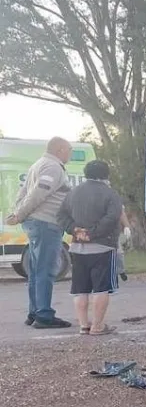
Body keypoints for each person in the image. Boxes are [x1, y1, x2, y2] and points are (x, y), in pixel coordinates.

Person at [5, 137, 74, 329]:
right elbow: (37, 194)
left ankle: (34, 312)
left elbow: (23, 192)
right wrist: (19, 215)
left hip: (37, 223)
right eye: (69, 150)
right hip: (46, 224)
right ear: (60, 149)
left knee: (36, 271)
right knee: (45, 270)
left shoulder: (38, 164)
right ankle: (44, 316)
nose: (70, 154)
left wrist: (18, 212)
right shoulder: (52, 167)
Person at [56, 160, 123, 335]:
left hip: (77, 248)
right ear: (106, 175)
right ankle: (98, 326)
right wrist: (92, 233)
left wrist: (74, 230)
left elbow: (61, 215)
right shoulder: (110, 194)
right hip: (103, 247)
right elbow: (112, 218)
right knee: (101, 288)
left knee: (80, 289)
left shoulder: (73, 193)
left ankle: (84, 325)